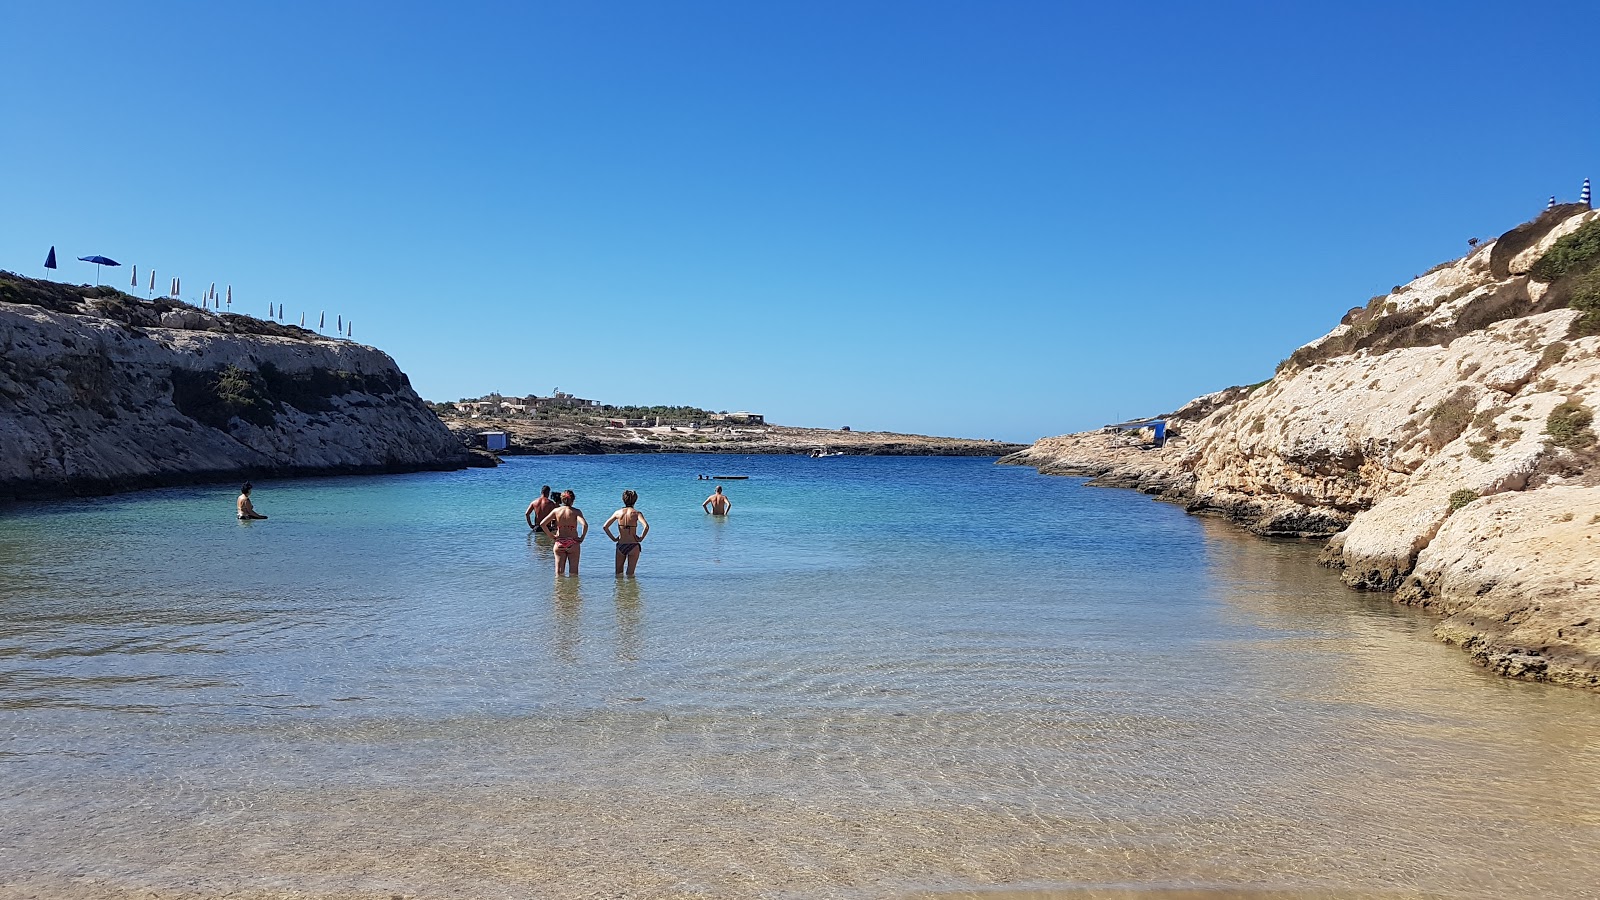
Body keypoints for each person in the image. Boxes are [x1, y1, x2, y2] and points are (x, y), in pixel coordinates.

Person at [602, 489, 650, 576]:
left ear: (623, 499)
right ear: (635, 500)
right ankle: (631, 589)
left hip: (621, 545)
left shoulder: (618, 512)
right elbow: (646, 527)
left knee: (618, 574)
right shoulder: (637, 513)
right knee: (630, 575)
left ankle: (620, 589)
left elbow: (605, 526)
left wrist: (613, 538)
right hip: (633, 545)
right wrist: (641, 538)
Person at [539, 490, 587, 576]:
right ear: (573, 500)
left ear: (562, 500)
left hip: (559, 542)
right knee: (574, 573)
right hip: (573, 543)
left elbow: (542, 524)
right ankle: (572, 589)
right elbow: (585, 525)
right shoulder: (576, 512)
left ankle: (560, 589)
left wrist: (551, 536)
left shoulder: (556, 511)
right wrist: (582, 537)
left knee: (559, 573)